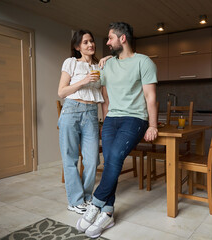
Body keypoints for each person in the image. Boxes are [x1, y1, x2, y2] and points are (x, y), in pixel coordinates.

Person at [76, 22, 158, 238]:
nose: (107, 42)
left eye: (110, 38)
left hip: (134, 119)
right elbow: (104, 96)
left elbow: (151, 97)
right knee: (111, 160)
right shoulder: (108, 64)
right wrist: (105, 119)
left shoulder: (144, 62)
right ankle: (108, 212)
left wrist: (152, 124)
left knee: (114, 158)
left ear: (123, 39)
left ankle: (95, 204)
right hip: (112, 119)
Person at [58, 30, 110, 214]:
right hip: (71, 110)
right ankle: (74, 201)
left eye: (92, 41)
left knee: (92, 160)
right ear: (77, 46)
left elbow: (104, 94)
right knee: (70, 158)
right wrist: (84, 81)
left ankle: (87, 198)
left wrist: (108, 58)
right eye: (85, 42)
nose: (90, 45)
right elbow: (61, 92)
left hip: (90, 114)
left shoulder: (99, 66)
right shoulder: (71, 62)